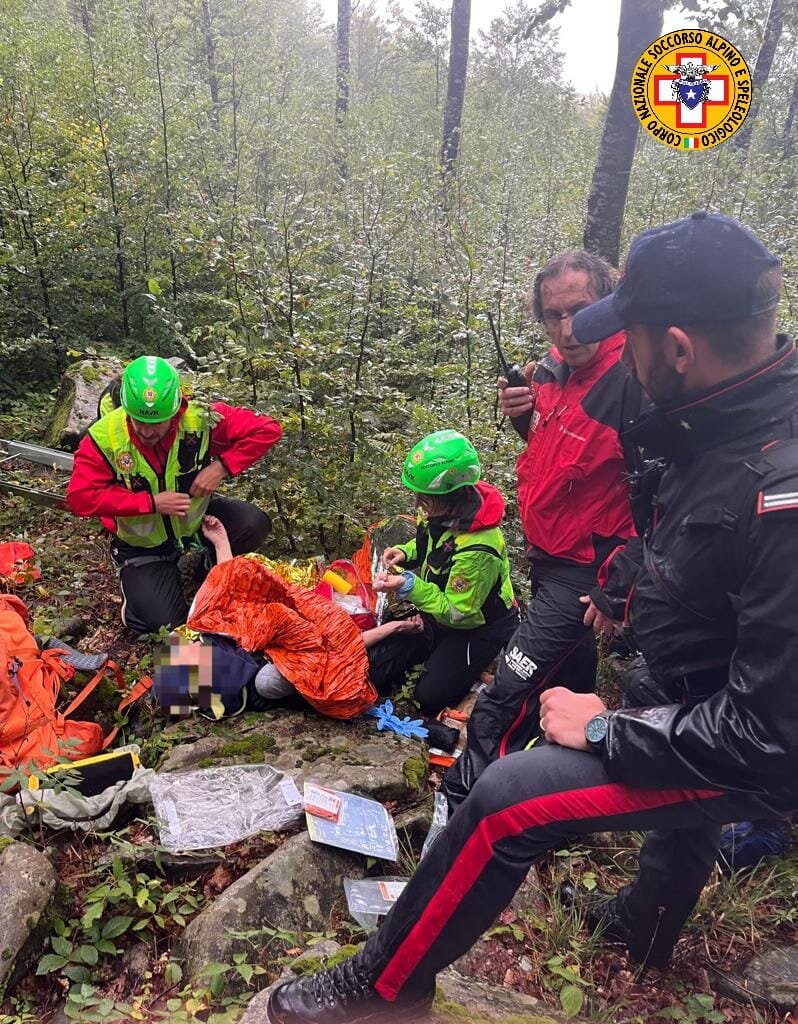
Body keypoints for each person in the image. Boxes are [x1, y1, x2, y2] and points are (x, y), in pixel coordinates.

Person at [264, 212, 798, 1024]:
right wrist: (623, 582)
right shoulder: (720, 411)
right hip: (685, 673)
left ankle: (380, 988)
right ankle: (643, 928)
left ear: (679, 347)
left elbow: (770, 736)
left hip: (750, 747)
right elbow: (676, 531)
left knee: (512, 793)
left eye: (634, 337)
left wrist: (607, 727)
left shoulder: (781, 485)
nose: (609, 350)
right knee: (663, 818)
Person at [444, 250, 642, 809]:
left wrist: (618, 582)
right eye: (552, 315)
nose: (566, 328)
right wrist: (521, 418)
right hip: (549, 553)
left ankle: (462, 809)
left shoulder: (633, 382)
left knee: (509, 685)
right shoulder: (554, 368)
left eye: (581, 310)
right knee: (570, 678)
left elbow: (663, 503)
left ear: (612, 304)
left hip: (587, 568)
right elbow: (565, 459)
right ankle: (559, 790)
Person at [67, 355, 281, 634]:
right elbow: (80, 498)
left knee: (254, 522)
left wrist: (222, 467)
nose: (145, 431)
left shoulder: (201, 417)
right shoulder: (104, 437)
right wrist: (150, 503)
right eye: (137, 420)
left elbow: (268, 428)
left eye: (156, 423)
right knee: (164, 624)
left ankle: (204, 570)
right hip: (141, 543)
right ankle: (142, 607)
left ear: (177, 410)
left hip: (194, 525)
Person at [367, 430, 519, 715]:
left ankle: (475, 667)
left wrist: (407, 585)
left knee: (428, 696)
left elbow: (458, 611)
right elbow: (433, 545)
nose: (419, 503)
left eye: (425, 498)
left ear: (451, 494)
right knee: (381, 664)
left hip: (477, 625)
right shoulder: (439, 511)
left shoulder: (478, 547)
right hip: (439, 608)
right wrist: (406, 552)